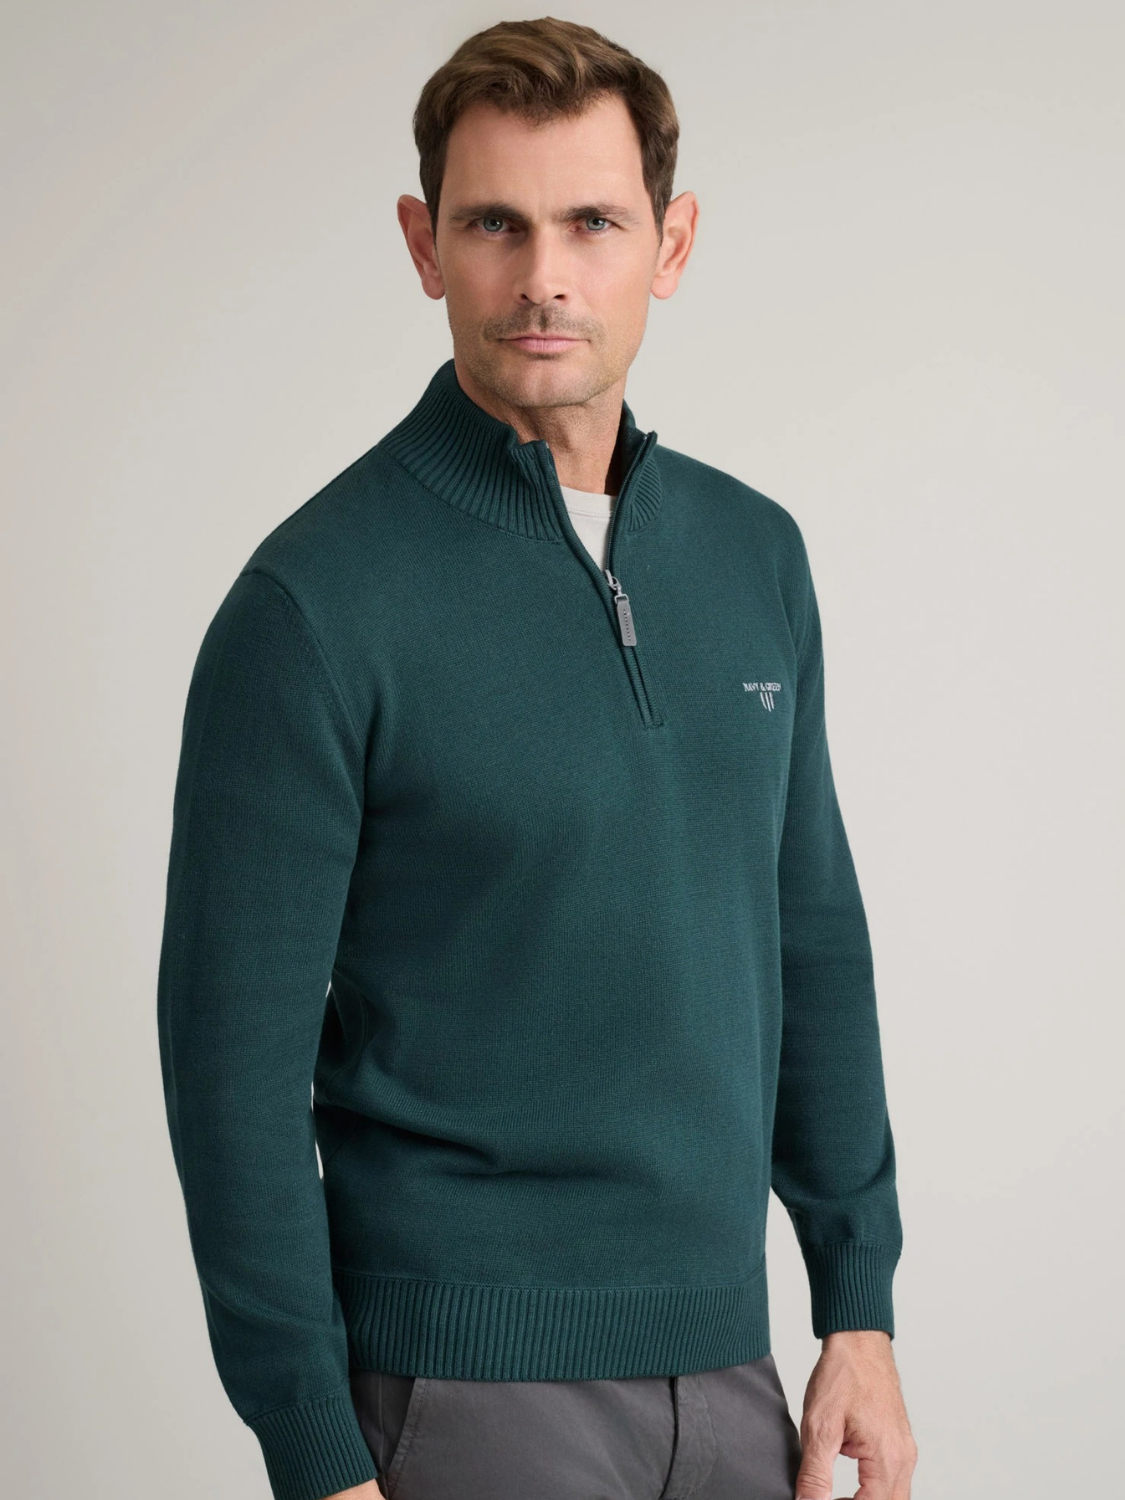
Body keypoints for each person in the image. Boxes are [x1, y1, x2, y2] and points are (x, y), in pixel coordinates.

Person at [156, 17, 918, 1500]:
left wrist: (859, 1304)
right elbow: (229, 1069)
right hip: (459, 1393)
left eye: (593, 223)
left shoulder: (753, 555)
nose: (544, 276)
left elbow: (810, 937)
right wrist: (313, 1449)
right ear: (423, 244)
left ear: (671, 244)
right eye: (494, 224)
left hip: (736, 1374)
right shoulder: (315, 604)